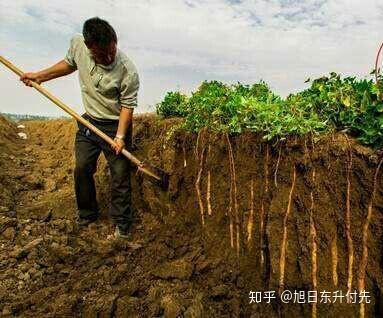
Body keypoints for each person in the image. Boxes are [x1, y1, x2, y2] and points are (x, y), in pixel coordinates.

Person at [20, 17, 139, 239]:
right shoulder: (78, 45)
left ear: (114, 42)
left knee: (120, 174)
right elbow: (69, 64)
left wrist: (121, 136)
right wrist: (39, 77)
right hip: (89, 122)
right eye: (102, 55)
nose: (109, 57)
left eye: (111, 51)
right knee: (82, 167)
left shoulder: (127, 71)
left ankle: (122, 226)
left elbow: (127, 106)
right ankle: (88, 216)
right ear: (89, 47)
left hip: (115, 125)